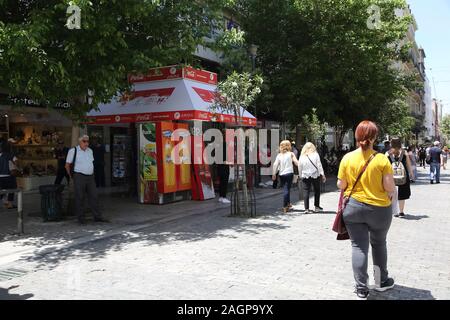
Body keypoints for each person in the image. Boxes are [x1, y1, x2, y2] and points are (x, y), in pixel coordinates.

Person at [337, 120, 396, 299]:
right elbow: (389, 187)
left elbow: (341, 184)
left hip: (353, 208)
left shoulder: (347, 158)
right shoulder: (381, 159)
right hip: (379, 210)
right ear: (374, 137)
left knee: (358, 247)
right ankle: (381, 282)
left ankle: (361, 288)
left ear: (357, 136)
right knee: (379, 244)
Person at [65, 135, 108, 225]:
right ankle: (81, 218)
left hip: (90, 176)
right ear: (80, 142)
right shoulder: (73, 151)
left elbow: (91, 162)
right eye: (84, 141)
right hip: (79, 175)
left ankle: (97, 216)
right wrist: (71, 176)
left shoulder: (90, 151)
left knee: (94, 196)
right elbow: (67, 165)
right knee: (80, 197)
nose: (86, 143)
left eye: (87, 141)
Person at [386, 138, 414, 218]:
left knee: (392, 193)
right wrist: (411, 174)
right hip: (403, 176)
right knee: (402, 193)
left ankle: (394, 211)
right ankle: (401, 211)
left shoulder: (387, 153)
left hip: (391, 176)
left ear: (391, 144)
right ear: (400, 143)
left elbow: (384, 165)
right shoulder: (404, 152)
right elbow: (408, 164)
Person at [298, 142, 326, 214]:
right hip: (315, 174)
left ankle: (306, 208)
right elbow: (319, 165)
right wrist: (322, 174)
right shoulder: (315, 154)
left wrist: (300, 174)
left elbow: (300, 166)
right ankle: (316, 207)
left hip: (305, 175)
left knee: (306, 191)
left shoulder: (302, 156)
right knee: (317, 190)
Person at [272, 140, 299, 213]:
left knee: (286, 188)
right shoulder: (291, 154)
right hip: (289, 173)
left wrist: (274, 174)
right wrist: (302, 166)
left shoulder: (279, 155)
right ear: (289, 146)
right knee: (286, 189)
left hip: (281, 174)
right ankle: (284, 206)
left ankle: (288, 204)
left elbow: (275, 165)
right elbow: (296, 162)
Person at [0, 142, 18, 209]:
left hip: (0, 177)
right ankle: (10, 204)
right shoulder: (11, 155)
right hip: (9, 176)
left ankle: (5, 202)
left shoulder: (0, 155)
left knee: (1, 190)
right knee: (12, 189)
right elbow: (16, 162)